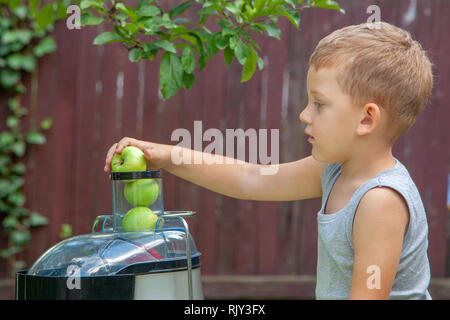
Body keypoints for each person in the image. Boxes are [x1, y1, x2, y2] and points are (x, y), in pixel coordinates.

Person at [104, 22, 433, 300]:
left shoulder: (380, 201)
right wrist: (165, 155)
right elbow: (253, 178)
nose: (304, 114)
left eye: (319, 104)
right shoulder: (337, 170)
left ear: (366, 119)